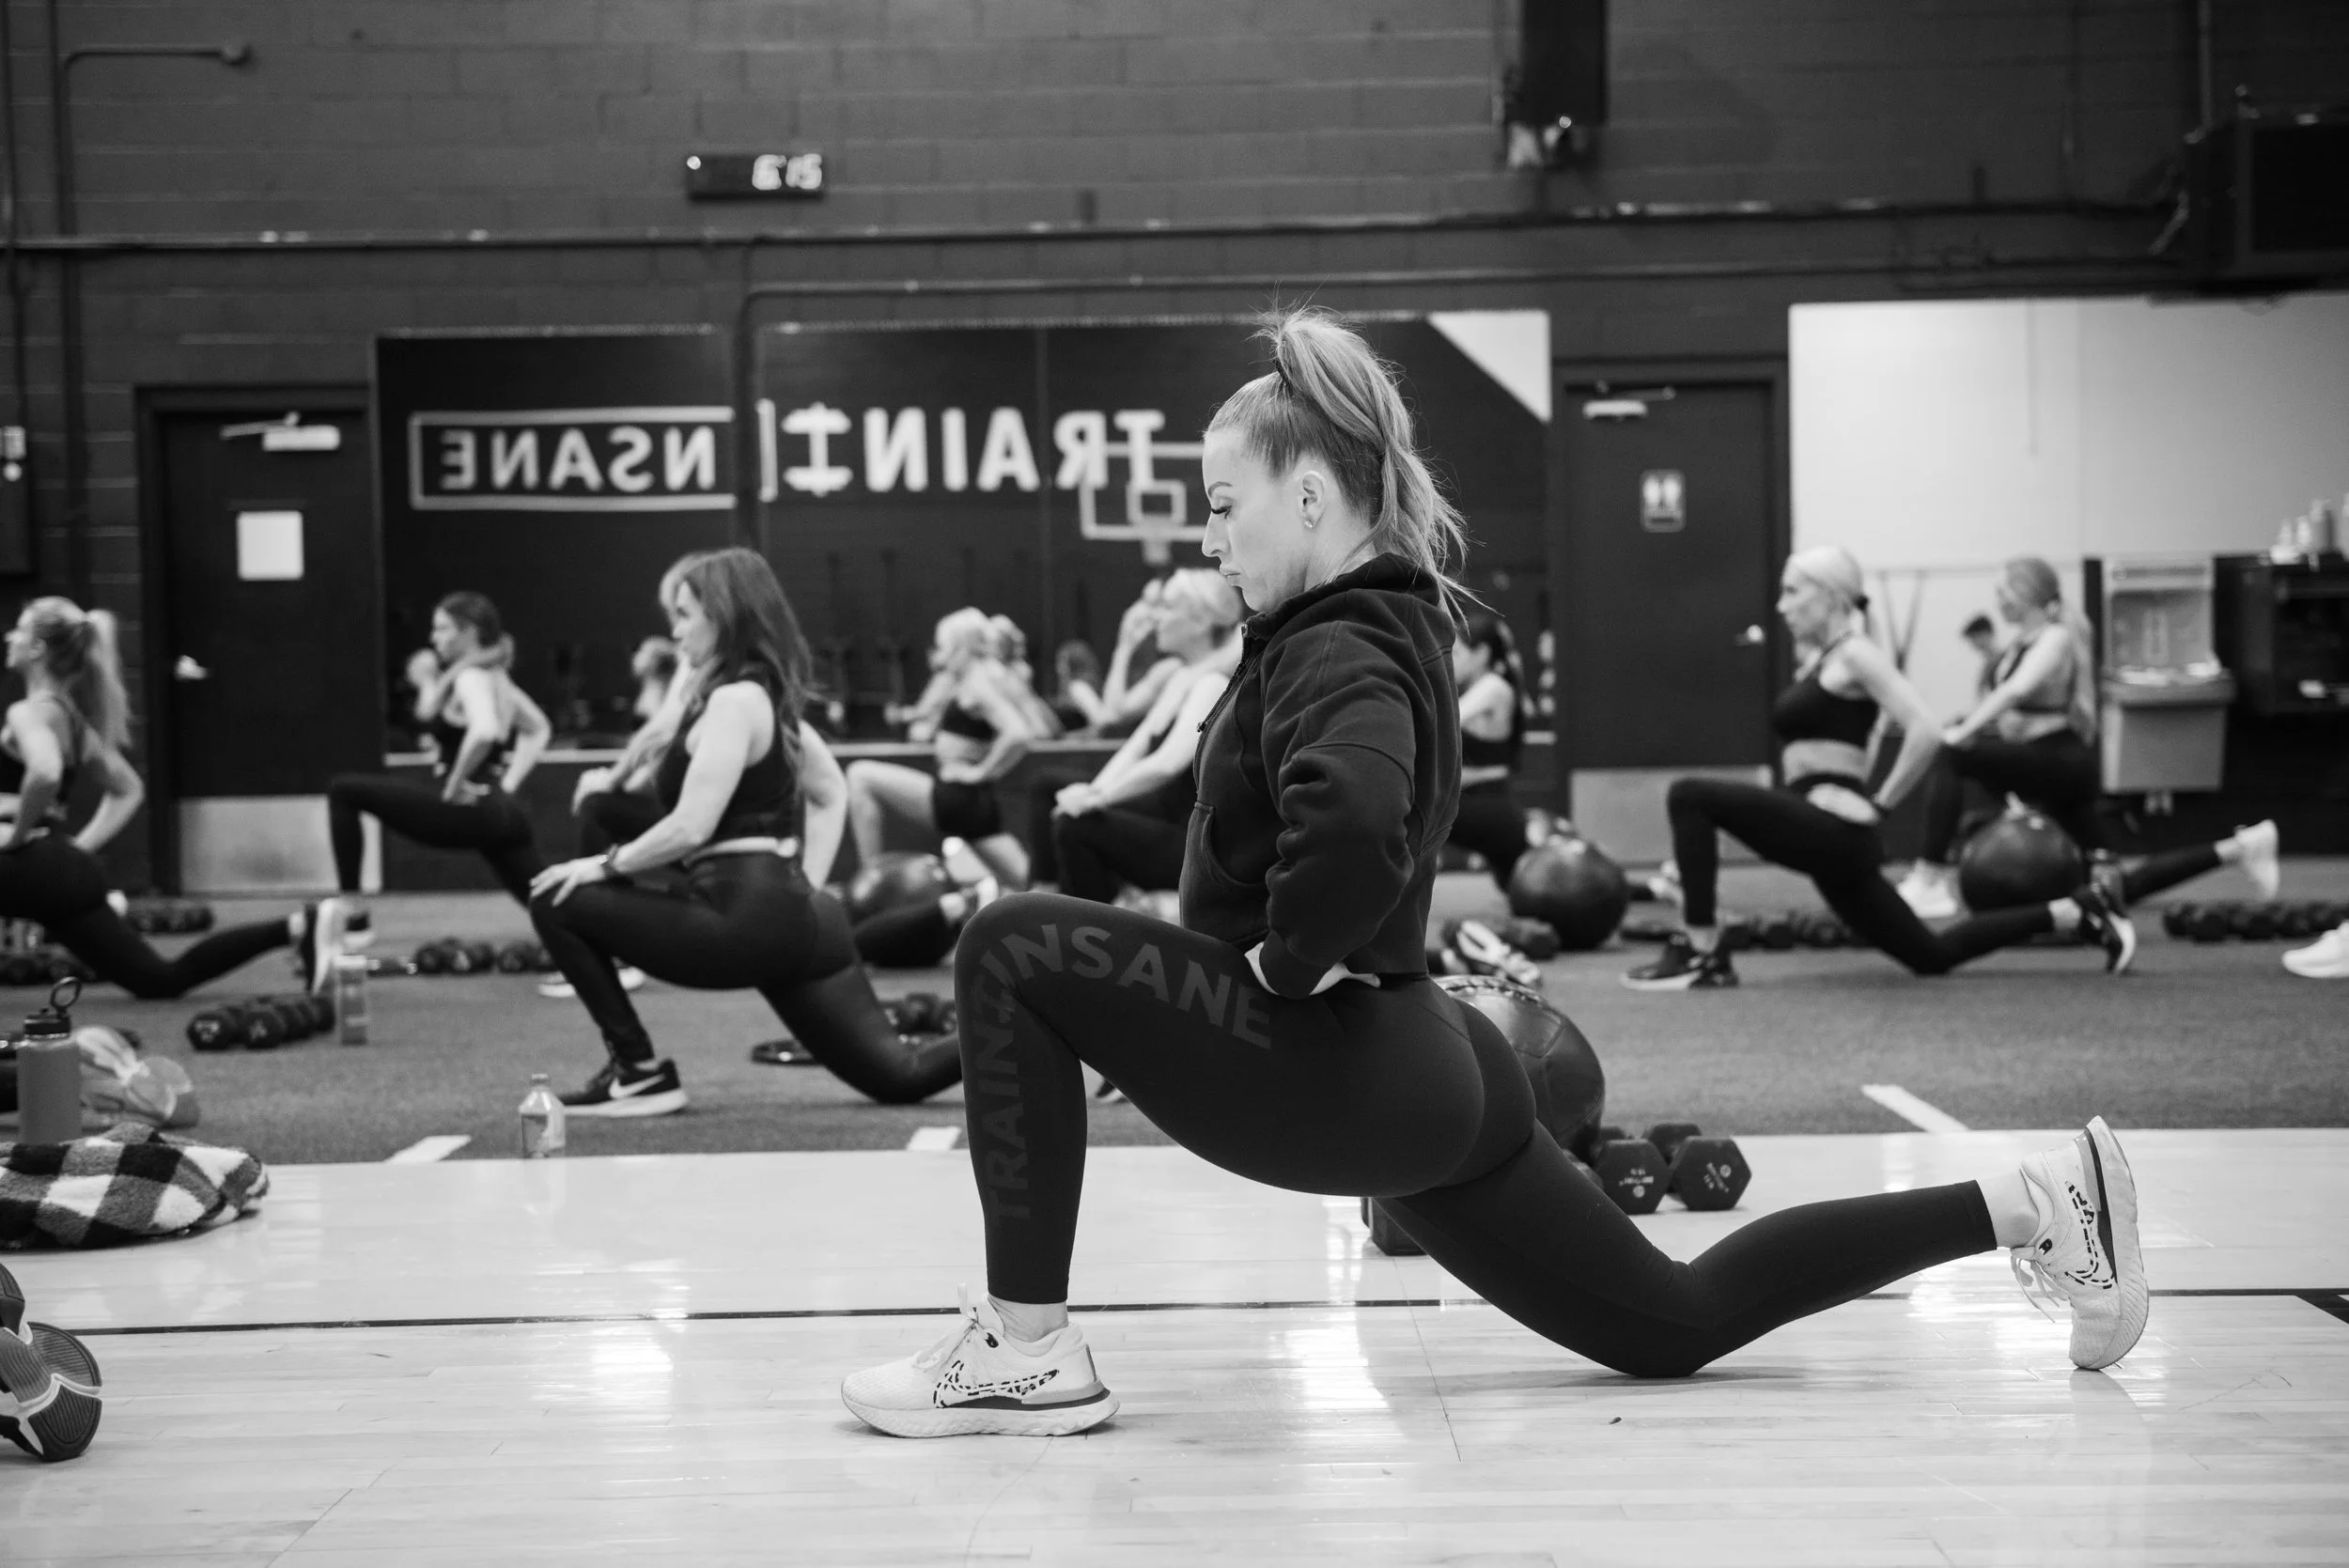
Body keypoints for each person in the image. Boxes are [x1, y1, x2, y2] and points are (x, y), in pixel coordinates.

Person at [839, 308, 2148, 1439]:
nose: (1210, 536)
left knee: (1007, 944)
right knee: (1673, 1321)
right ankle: (2034, 1202)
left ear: (1311, 496)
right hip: (1430, 1068)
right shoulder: (1374, 620)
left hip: (1344, 1058)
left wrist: (1283, 961)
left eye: (1225, 504)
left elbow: (1355, 818)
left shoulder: (1335, 642)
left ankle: (1026, 1348)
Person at [530, 548, 961, 1115]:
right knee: (902, 1076)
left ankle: (637, 1071)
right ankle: (1043, 1025)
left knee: (555, 898)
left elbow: (691, 826)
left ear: (724, 618)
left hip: (742, 915)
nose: (675, 631)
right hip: (799, 918)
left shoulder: (735, 703)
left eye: (685, 615)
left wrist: (603, 865)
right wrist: (807, 886)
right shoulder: (762, 697)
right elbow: (830, 791)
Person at [1625, 548, 2137, 990]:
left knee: (1690, 795)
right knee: (1931, 955)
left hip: (1834, 827)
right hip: (1820, 828)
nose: (1782, 606)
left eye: (1792, 592)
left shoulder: (1857, 655)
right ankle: (2074, 910)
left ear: (1830, 596)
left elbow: (1925, 729)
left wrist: (1880, 805)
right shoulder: (1825, 659)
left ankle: (1702, 951)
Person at [1899, 557, 2278, 920]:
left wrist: (1962, 733)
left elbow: (2017, 690)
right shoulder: (2020, 642)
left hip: (2060, 762)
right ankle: (2241, 849)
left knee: (1952, 756)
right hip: (2043, 769)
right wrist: (1971, 728)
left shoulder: (2056, 638)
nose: (1997, 600)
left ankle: (1929, 879)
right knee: (2115, 885)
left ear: (2027, 593)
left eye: (2004, 591)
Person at [0, 598, 334, 998]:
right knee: (161, 979)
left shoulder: (27, 713)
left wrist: (17, 835)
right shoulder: (72, 719)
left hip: (26, 862)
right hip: (60, 871)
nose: (10, 637)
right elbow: (129, 790)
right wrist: (74, 850)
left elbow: (45, 771)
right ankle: (297, 927)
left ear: (37, 648)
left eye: (19, 630)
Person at [326, 593, 551, 928]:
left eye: (442, 628)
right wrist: (507, 784)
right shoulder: (496, 677)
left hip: (469, 808)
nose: (433, 638)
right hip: (500, 810)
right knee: (548, 902)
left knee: (343, 791)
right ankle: (605, 939)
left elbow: (485, 730)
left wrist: (456, 784)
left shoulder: (470, 678)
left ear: (468, 631)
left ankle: (353, 914)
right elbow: (538, 728)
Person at [1026, 568, 1243, 904]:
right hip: (1159, 813)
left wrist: (1098, 799)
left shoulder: (1211, 684)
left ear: (1201, 622)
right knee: (1052, 792)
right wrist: (1092, 792)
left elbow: (1166, 764)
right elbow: (1136, 748)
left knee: (1075, 826)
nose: (1156, 618)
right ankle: (1047, 898)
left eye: (1168, 607)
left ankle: (1081, 923)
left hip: (1190, 839)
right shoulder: (1180, 677)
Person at [845, 609, 1048, 890]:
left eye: (942, 646)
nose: (939, 654)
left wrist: (982, 772)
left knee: (860, 775)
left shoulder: (977, 681)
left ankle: (871, 879)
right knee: (1027, 884)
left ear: (959, 646)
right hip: (973, 803)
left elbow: (1018, 733)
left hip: (957, 796)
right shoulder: (973, 678)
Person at [1444, 611, 1538, 889]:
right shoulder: (1480, 687)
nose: (1450, 661)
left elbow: (1443, 722)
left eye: (1456, 653)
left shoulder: (1493, 687)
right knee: (1519, 884)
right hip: (1478, 804)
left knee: (1540, 888)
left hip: (1488, 807)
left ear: (1482, 654)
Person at [1091, 580, 1184, 737]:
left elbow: (1111, 716)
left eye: (1160, 604)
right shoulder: (1149, 655)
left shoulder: (1174, 665)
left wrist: (1124, 646)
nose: (1151, 615)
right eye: (1144, 602)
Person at [1046, 640, 1108, 733]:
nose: (1057, 667)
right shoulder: (1075, 687)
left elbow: (1100, 720)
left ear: (1073, 664)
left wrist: (1076, 736)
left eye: (1061, 661)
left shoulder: (1078, 688)